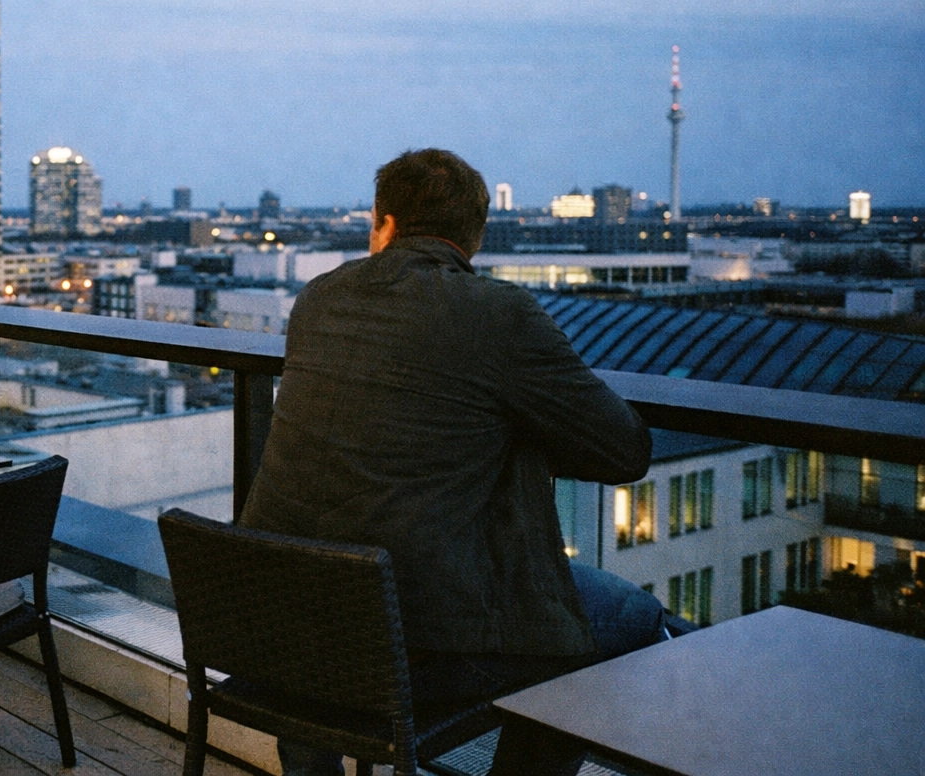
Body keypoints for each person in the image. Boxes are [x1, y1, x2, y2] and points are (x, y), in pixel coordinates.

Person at [239, 148, 666, 776]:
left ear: (382, 224)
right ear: (474, 238)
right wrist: (513, 429)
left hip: (278, 625)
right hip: (407, 641)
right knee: (632, 616)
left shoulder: (319, 299)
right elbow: (626, 449)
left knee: (330, 597)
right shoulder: (500, 314)